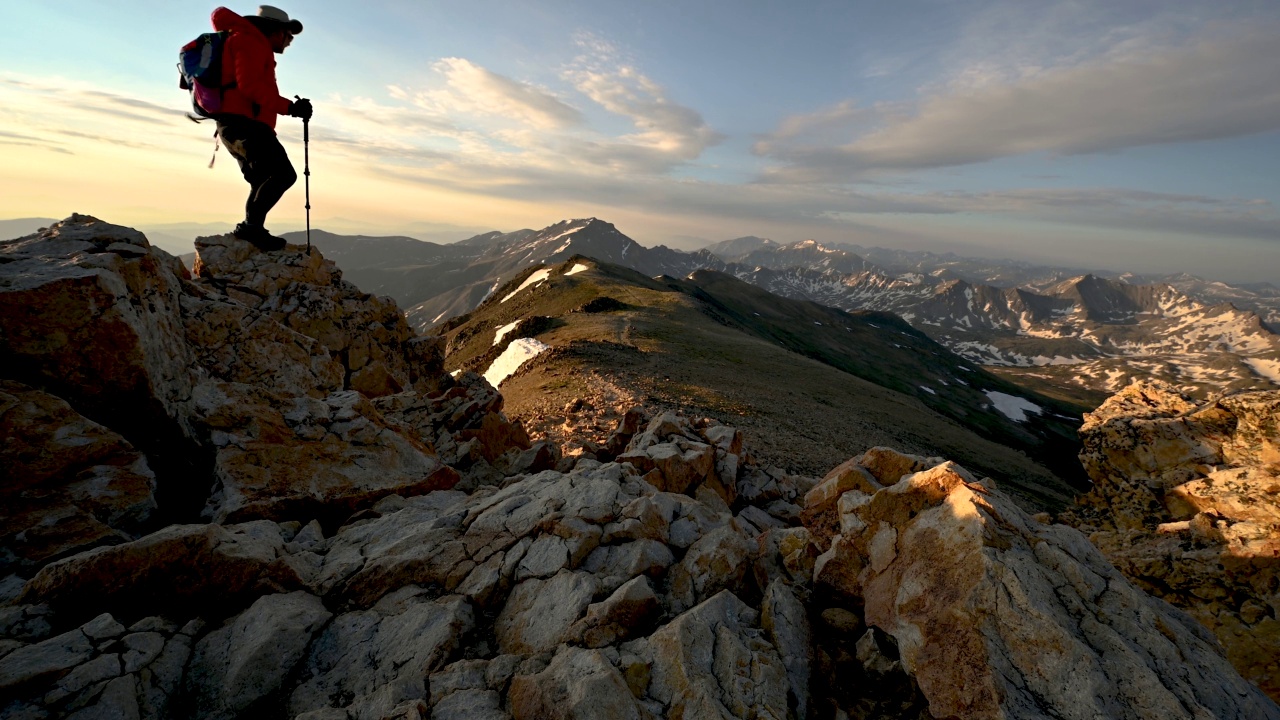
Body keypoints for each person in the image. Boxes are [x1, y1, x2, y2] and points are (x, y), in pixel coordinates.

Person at [210, 5, 312, 251]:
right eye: (288, 35)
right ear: (274, 30)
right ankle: (251, 228)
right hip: (245, 123)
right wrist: (291, 107)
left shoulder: (244, 41)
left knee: (261, 179)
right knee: (283, 175)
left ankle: (252, 229)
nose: (289, 42)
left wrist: (289, 107)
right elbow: (251, 87)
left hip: (233, 124)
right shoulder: (251, 42)